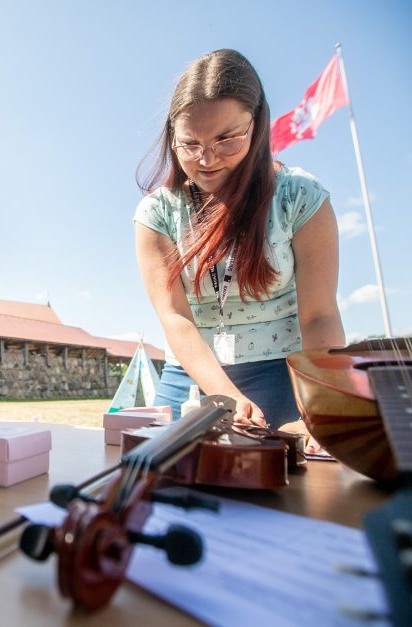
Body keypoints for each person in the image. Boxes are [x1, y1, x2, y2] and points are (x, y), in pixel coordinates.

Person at [134, 49, 345, 429]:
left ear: (258, 125)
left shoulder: (300, 197)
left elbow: (320, 316)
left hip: (284, 374)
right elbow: (175, 317)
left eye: (227, 139)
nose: (207, 159)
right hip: (190, 378)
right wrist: (223, 392)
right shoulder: (157, 213)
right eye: (190, 144)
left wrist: (325, 404)